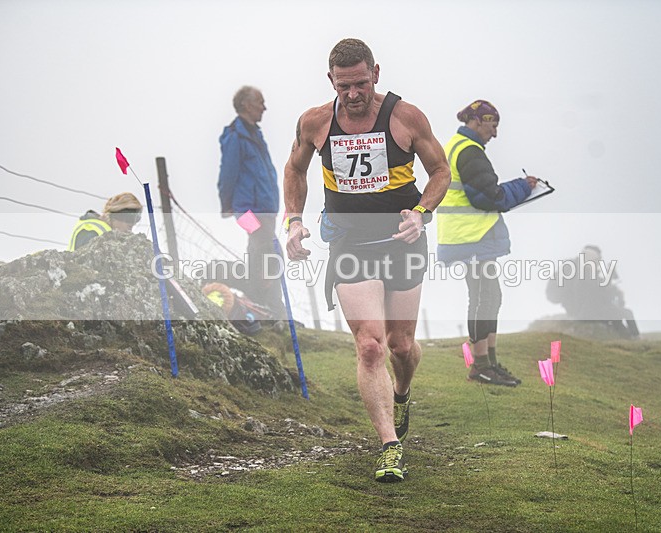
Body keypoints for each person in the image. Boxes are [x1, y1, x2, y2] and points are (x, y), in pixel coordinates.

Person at [283, 38, 450, 482]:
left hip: (402, 240)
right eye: (344, 87)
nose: (353, 95)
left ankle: (404, 389)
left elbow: (441, 171)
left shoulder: (405, 117)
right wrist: (294, 221)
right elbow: (295, 169)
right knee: (371, 345)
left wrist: (422, 213)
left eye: (360, 84)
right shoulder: (316, 122)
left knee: (400, 345)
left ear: (375, 73)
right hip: (350, 245)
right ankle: (389, 446)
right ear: (331, 81)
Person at [436, 100, 538, 387]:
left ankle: (489, 363)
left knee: (490, 297)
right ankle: (481, 365)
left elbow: (482, 190)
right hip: (472, 238)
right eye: (493, 125)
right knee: (484, 298)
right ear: (479, 121)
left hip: (468, 237)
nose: (495, 133)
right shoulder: (470, 151)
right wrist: (523, 187)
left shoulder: (458, 146)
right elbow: (489, 197)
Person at [218, 85, 286, 321]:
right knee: (269, 253)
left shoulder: (255, 133)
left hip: (265, 210)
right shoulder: (235, 136)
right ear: (246, 104)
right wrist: (228, 206)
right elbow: (227, 173)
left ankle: (266, 309)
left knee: (261, 253)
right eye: (260, 102)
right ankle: (273, 311)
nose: (264, 107)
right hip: (248, 210)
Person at [546, 244, 640, 338]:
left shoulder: (580, 269)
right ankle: (634, 339)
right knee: (626, 314)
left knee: (618, 319)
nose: (598, 263)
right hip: (584, 311)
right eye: (597, 260)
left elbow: (596, 290)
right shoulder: (580, 272)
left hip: (583, 310)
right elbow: (595, 291)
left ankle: (629, 340)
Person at [68, 192, 142, 251]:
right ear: (115, 215)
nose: (131, 224)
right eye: (129, 218)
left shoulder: (111, 236)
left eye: (136, 220)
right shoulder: (91, 231)